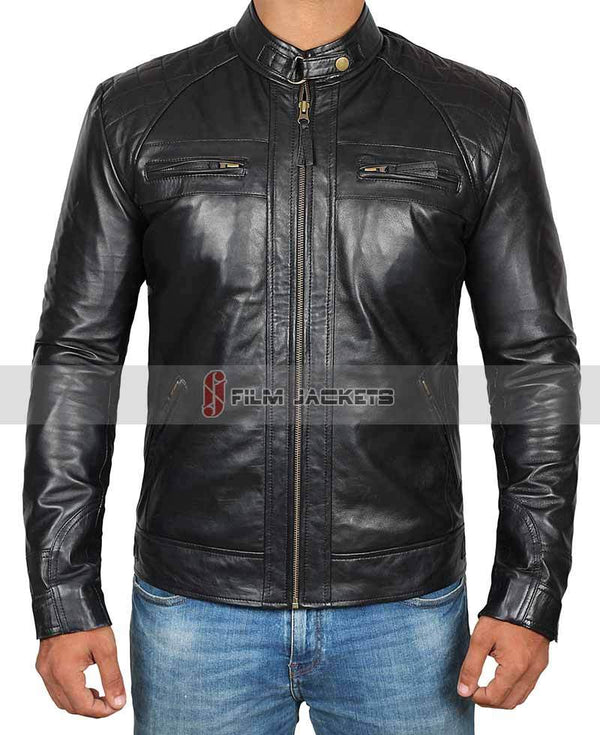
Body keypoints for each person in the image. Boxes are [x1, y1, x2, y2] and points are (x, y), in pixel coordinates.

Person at [24, 1, 580, 733]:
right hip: (197, 607)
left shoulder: (475, 116)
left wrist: (529, 590)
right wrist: (63, 592)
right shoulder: (137, 112)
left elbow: (533, 365)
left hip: (404, 609)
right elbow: (78, 358)